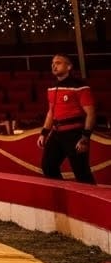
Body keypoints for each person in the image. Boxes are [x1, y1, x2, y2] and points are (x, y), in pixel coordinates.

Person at [37, 53, 96, 185]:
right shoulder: (52, 87)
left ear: (69, 66)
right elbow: (51, 112)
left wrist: (85, 138)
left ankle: (93, 203)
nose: (54, 65)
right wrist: (44, 133)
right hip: (57, 133)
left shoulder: (80, 86)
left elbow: (91, 113)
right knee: (48, 167)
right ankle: (64, 196)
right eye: (53, 63)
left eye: (58, 63)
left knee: (82, 173)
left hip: (75, 134)